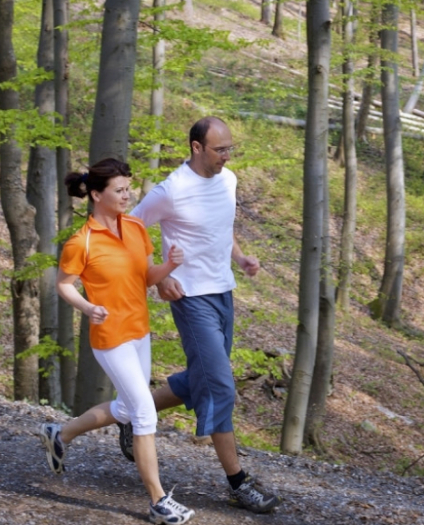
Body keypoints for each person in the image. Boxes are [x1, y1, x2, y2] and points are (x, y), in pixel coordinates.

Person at [126, 116, 281, 514]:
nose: (227, 157)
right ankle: (238, 483)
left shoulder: (227, 181)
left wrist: (240, 256)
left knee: (201, 380)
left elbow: (221, 225)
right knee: (219, 385)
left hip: (222, 290)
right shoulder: (172, 190)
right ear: (197, 147)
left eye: (230, 148)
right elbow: (133, 229)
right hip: (190, 296)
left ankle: (132, 412)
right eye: (220, 150)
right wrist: (155, 278)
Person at [37, 158, 195, 525]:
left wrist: (169, 266)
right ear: (95, 195)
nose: (128, 196)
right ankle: (158, 501)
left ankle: (59, 433)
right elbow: (63, 284)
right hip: (109, 338)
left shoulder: (138, 228)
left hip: (140, 330)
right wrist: (87, 307)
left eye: (128, 189)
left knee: (126, 409)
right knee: (143, 413)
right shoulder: (82, 242)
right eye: (119, 190)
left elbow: (145, 277)